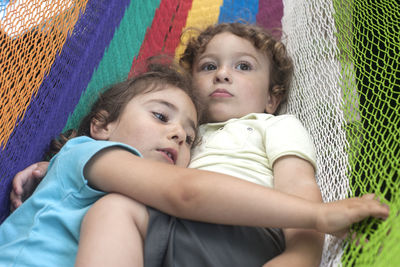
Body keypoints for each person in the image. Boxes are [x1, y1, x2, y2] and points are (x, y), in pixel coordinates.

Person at [8, 25, 389, 267]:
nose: (222, 72)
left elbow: (300, 188)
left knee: (116, 207)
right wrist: (58, 163)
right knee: (117, 206)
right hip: (169, 229)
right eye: (208, 67)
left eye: (243, 66)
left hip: (237, 230)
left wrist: (302, 252)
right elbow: (135, 163)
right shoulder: (187, 139)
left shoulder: (273, 124)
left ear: (272, 98)